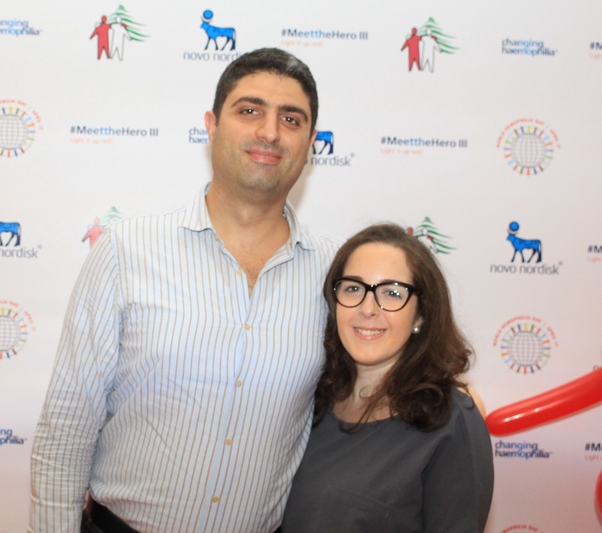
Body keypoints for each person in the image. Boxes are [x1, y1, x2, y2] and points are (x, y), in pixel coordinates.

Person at [29, 48, 338, 533]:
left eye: (291, 119)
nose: (270, 132)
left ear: (311, 142)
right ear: (212, 126)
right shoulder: (127, 250)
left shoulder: (335, 275)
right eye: (249, 110)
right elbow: (67, 425)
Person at [282, 223, 493, 532]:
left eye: (392, 293)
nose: (368, 309)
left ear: (421, 315)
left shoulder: (451, 420)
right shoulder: (309, 402)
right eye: (353, 288)